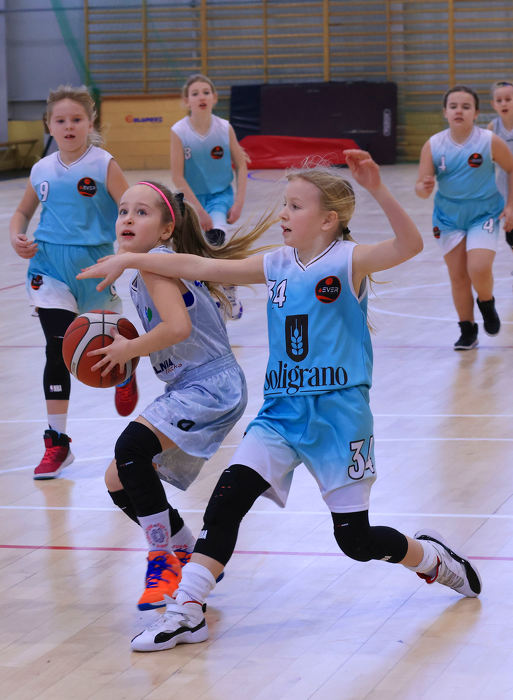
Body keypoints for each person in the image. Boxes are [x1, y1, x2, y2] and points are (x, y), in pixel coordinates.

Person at [79, 150, 482, 655]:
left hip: (339, 418)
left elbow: (410, 244)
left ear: (327, 220)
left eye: (294, 206)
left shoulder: (348, 261)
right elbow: (198, 263)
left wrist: (378, 188)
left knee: (356, 541)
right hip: (281, 413)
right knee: (226, 502)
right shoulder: (277, 264)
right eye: (285, 205)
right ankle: (186, 611)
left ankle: (432, 560)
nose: (283, 215)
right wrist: (130, 259)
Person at [79, 180, 272, 612]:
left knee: (131, 449)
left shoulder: (156, 266)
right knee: (117, 478)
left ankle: (161, 560)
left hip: (210, 385)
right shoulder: (147, 269)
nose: (128, 218)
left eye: (141, 212)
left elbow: (178, 328)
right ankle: (184, 548)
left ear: (166, 230)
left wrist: (130, 349)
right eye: (123, 210)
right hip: (192, 384)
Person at [9, 84, 138, 480]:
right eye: (61, 120)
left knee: (109, 344)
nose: (69, 126)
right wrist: (16, 236)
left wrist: (122, 256)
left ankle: (126, 371)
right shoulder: (41, 169)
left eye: (76, 119)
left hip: (95, 264)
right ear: (49, 124)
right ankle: (57, 442)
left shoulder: (103, 164)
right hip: (49, 266)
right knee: (57, 348)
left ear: (90, 122)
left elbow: (131, 211)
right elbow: (23, 212)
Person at [415, 85, 513, 350]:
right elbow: (421, 188)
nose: (459, 110)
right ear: (445, 112)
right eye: (454, 106)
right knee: (458, 276)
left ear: (476, 113)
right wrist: (423, 187)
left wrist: (511, 205)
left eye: (466, 107)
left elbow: (511, 168)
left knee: (478, 267)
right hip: (448, 218)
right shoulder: (433, 145)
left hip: (483, 214)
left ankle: (487, 302)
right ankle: (467, 330)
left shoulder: (489, 140)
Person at [170, 73, 248, 319]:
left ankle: (228, 291)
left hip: (220, 196)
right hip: (191, 200)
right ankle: (202, 296)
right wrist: (199, 211)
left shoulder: (224, 128)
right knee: (191, 251)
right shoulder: (179, 131)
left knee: (217, 239)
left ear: (214, 97)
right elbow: (177, 176)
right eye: (195, 93)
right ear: (187, 101)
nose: (201, 97)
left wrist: (239, 202)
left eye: (206, 92)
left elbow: (241, 165)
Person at [488, 80, 513, 255]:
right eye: (499, 100)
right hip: (505, 187)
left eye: (508, 99)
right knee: (510, 233)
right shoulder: (493, 127)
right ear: (493, 104)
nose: (504, 103)